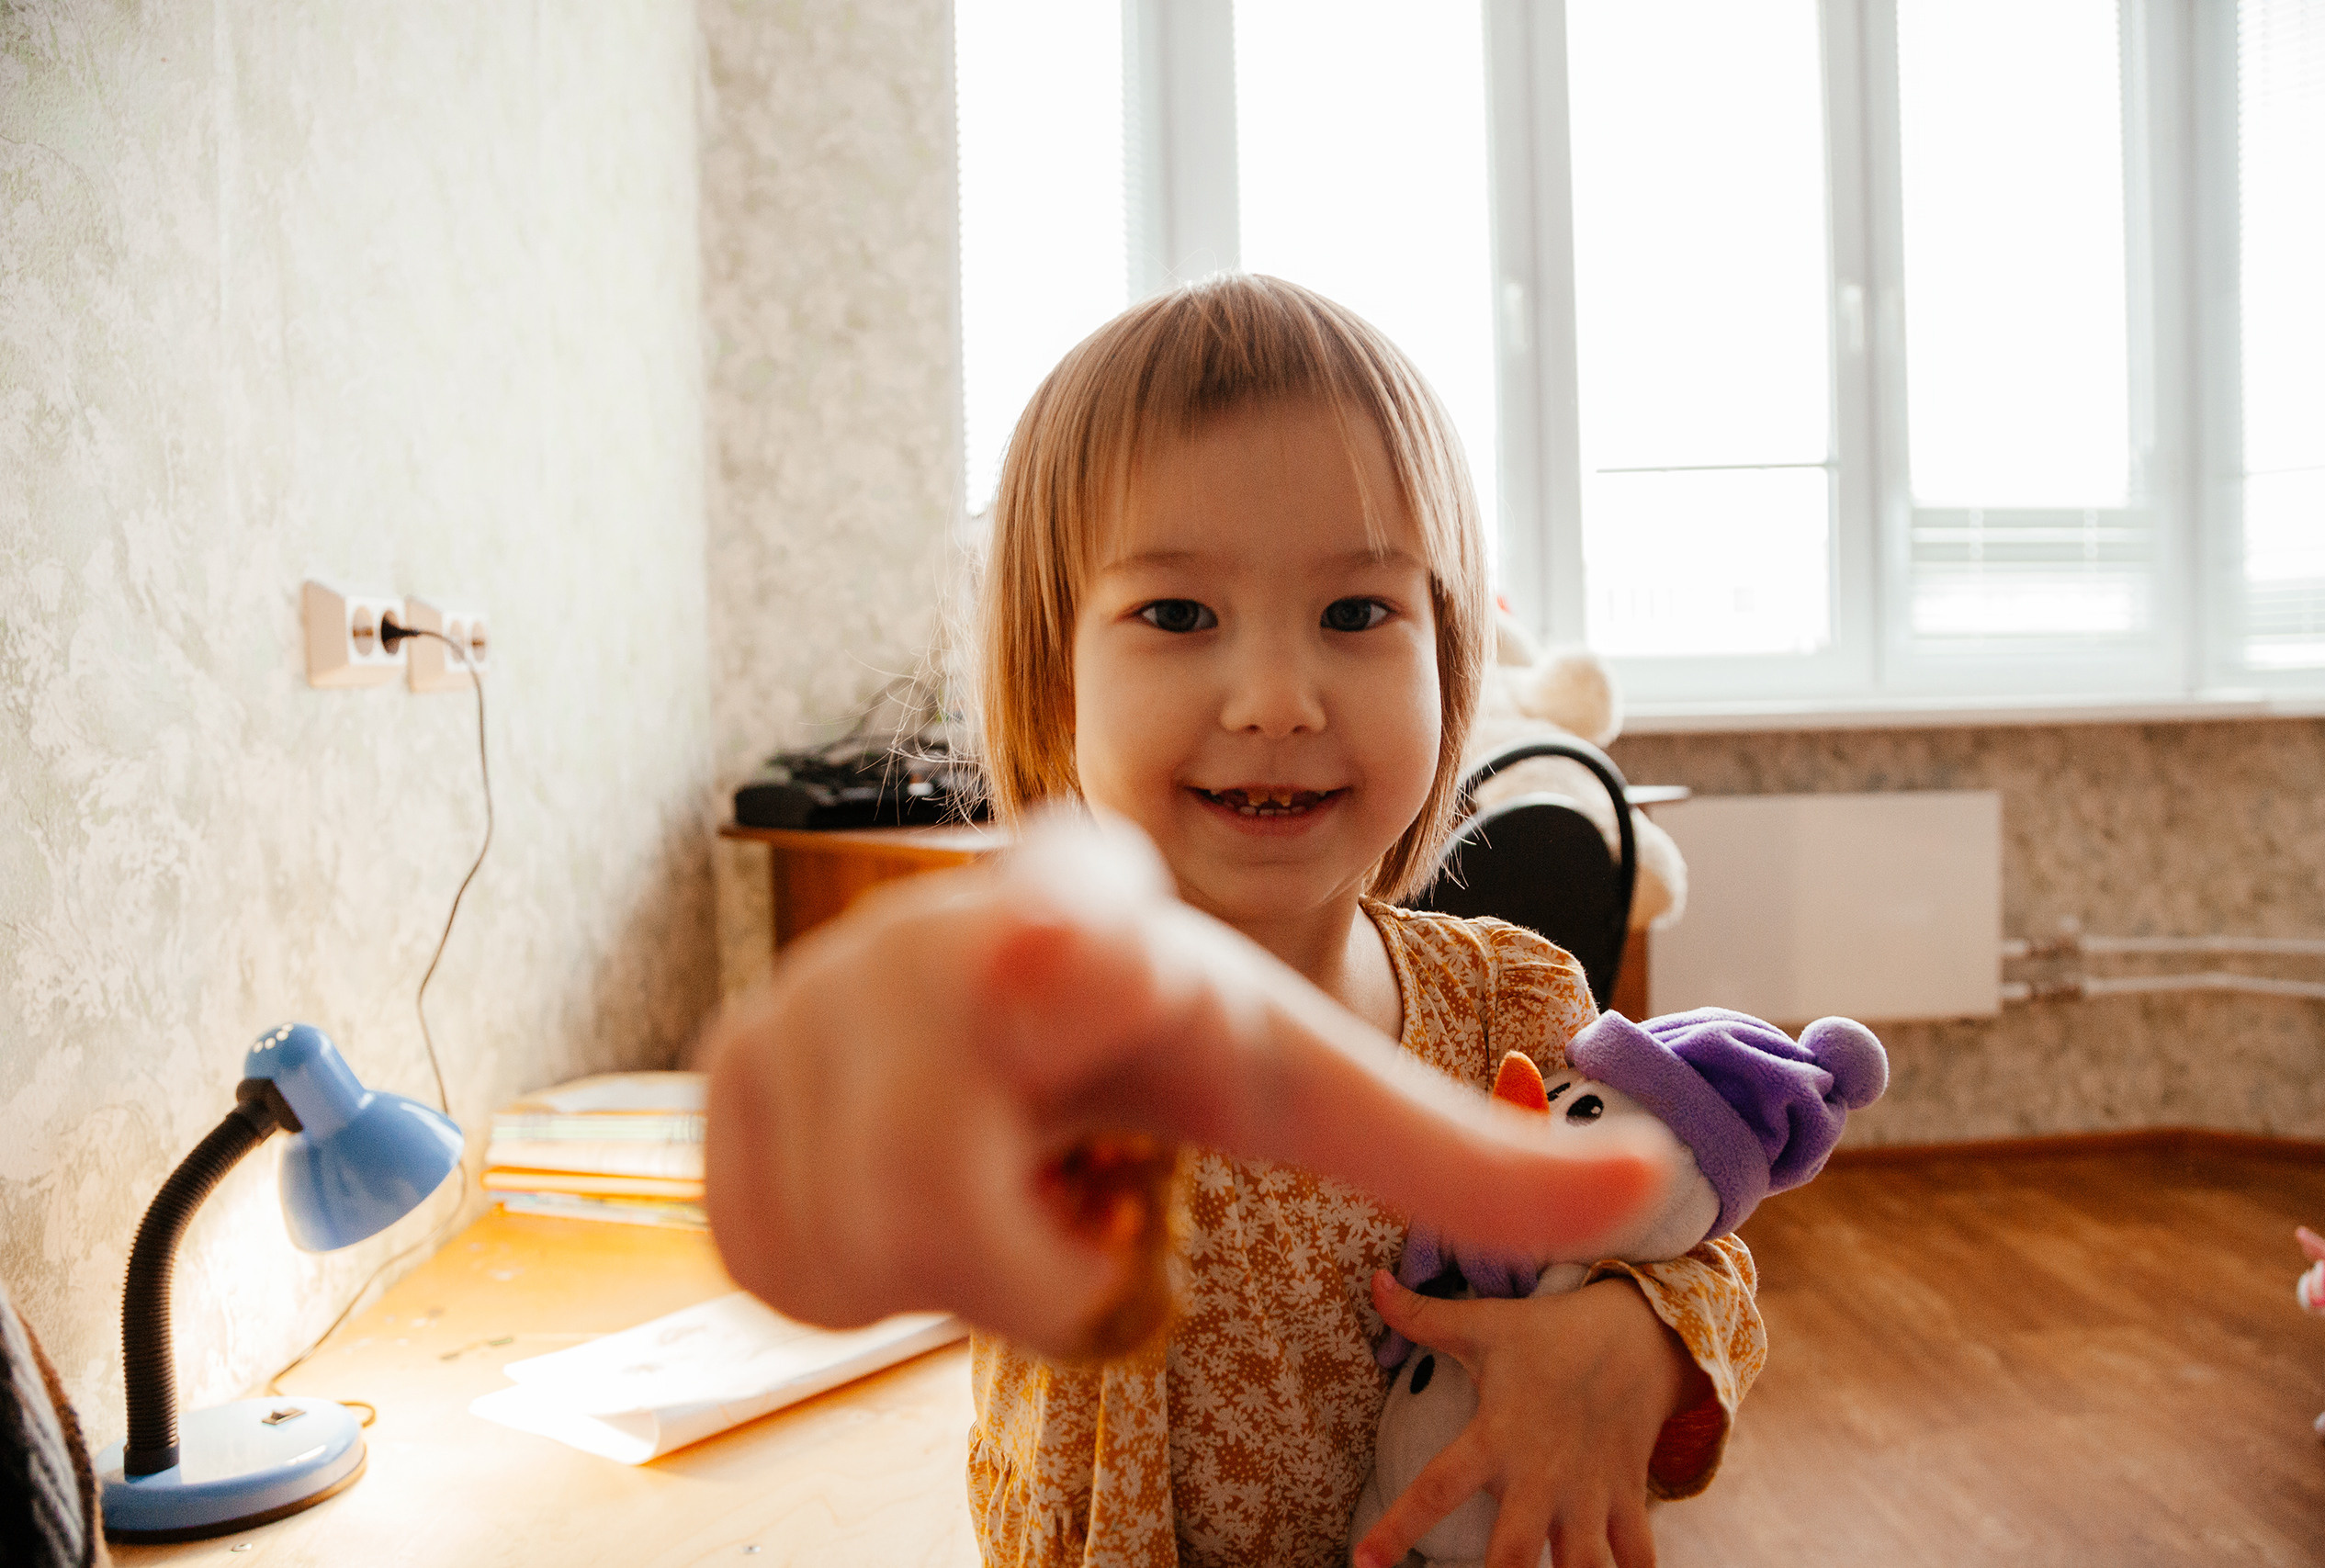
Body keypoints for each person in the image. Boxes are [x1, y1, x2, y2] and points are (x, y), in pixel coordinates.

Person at [700, 275, 1764, 1568]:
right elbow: (880, 1171)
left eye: (1356, 614)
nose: (1274, 698)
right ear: (1055, 675)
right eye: (1179, 615)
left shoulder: (1517, 1005)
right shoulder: (1060, 1037)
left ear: (1448, 657)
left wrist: (1637, 1342)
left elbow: (1700, 1250)